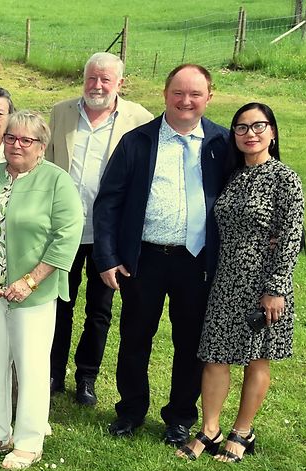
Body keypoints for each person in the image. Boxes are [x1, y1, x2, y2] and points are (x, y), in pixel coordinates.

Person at [93, 64, 230, 447]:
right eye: (178, 93)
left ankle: (180, 418)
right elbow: (108, 203)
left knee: (191, 343)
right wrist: (107, 257)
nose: (186, 101)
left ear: (209, 97)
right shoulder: (138, 141)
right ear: (165, 94)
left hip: (198, 262)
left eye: (195, 94)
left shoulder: (223, 143)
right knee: (135, 337)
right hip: (145, 259)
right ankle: (130, 411)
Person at [178, 103, 304, 463]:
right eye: (242, 127)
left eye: (258, 126)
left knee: (257, 359)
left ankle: (242, 431)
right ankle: (210, 429)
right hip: (226, 281)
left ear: (273, 132)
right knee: (215, 356)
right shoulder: (233, 176)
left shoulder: (285, 179)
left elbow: (291, 237)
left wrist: (275, 289)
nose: (250, 134)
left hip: (264, 285)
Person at [0, 111, 83, 470]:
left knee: (31, 366)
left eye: (26, 140)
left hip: (32, 293)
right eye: (10, 138)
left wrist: (31, 280)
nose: (16, 145)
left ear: (41, 147)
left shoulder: (56, 181)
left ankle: (29, 441)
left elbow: (67, 235)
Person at [46, 52, 153, 405]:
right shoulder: (61, 113)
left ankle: (87, 376)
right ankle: (53, 371)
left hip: (108, 235)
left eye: (105, 79)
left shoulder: (139, 119)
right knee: (59, 303)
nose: (97, 85)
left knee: (100, 309)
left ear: (120, 83)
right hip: (63, 229)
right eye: (91, 77)